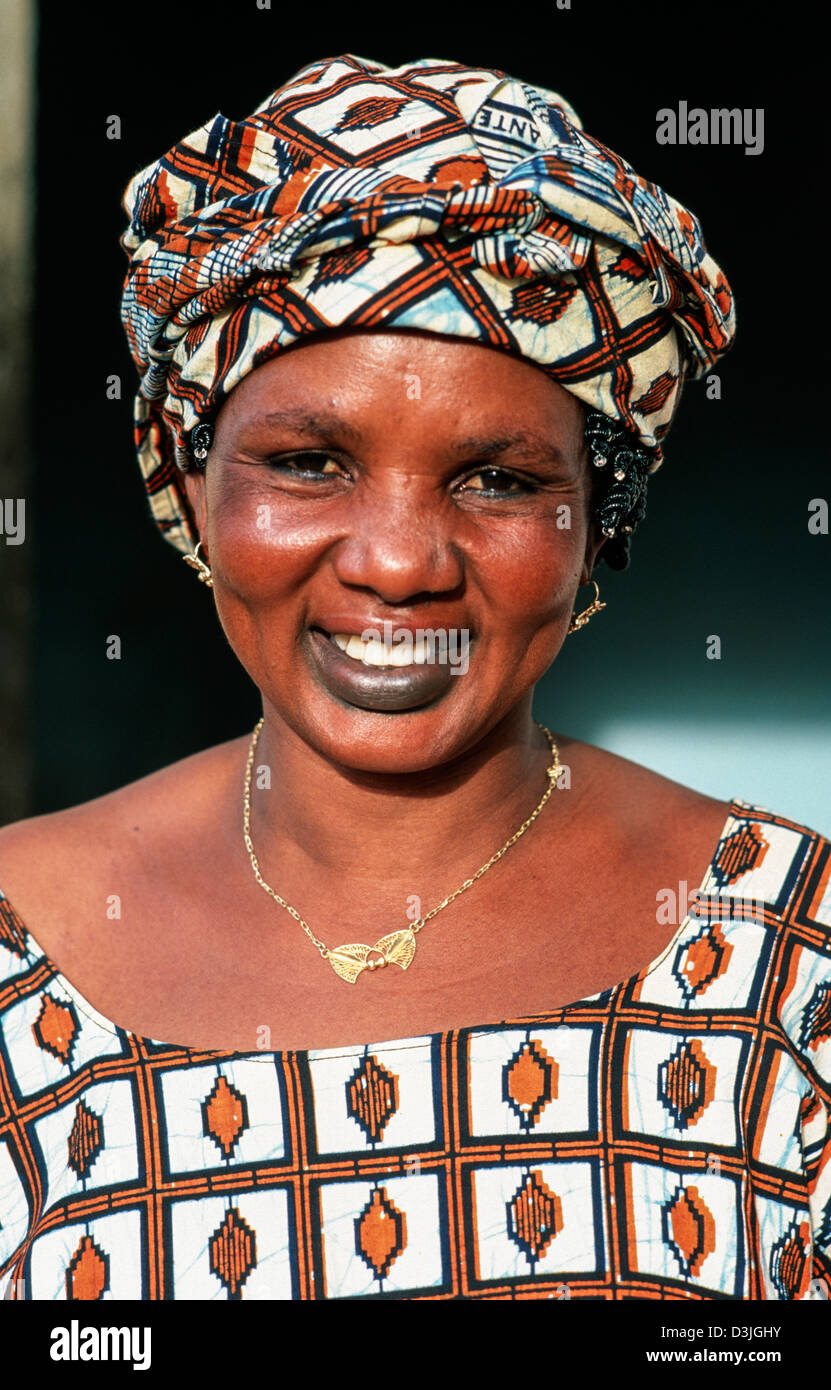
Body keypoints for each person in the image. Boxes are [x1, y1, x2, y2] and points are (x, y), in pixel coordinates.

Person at [0, 54, 828, 1302]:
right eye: (310, 462)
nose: (399, 564)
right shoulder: (18, 942)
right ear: (194, 487)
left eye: (499, 479)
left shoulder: (791, 957)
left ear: (597, 526)